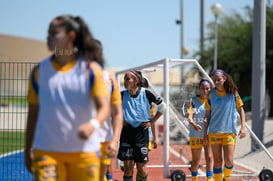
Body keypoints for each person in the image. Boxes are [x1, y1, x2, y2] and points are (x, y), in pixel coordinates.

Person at [24, 15, 110, 181]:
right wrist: (28, 149)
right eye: (48, 32)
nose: (48, 37)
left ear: (71, 36)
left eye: (54, 33)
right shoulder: (39, 71)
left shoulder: (91, 70)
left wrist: (93, 125)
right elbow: (33, 113)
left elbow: (104, 108)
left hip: (84, 154)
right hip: (47, 153)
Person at [117, 70, 166, 181]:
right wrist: (120, 120)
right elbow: (111, 109)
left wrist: (152, 121)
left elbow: (163, 107)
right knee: (128, 166)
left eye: (127, 79)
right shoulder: (121, 95)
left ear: (136, 81)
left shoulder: (147, 93)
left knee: (141, 167)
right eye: (124, 78)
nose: (124, 81)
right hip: (127, 131)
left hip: (141, 132)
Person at [204, 69, 246, 181]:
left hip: (229, 132)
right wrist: (205, 134)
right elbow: (207, 115)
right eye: (214, 81)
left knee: (229, 161)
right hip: (214, 132)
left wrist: (243, 127)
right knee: (217, 161)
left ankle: (225, 178)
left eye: (218, 80)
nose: (216, 82)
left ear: (224, 79)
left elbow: (241, 109)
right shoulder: (210, 94)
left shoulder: (233, 93)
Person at [94, 39, 123, 181]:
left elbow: (117, 113)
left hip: (103, 141)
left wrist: (115, 140)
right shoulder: (72, 78)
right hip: (79, 142)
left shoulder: (110, 81)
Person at [187, 79, 214, 181]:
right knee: (196, 161)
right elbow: (189, 116)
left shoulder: (212, 101)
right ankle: (194, 178)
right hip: (196, 134)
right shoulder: (194, 100)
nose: (205, 91)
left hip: (208, 134)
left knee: (210, 157)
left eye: (207, 88)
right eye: (203, 88)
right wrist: (193, 123)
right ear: (199, 89)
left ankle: (209, 178)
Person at [142, 77, 158, 151]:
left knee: (142, 160)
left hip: (146, 135)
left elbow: (153, 122)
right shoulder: (129, 100)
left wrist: (155, 138)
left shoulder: (150, 104)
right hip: (132, 134)